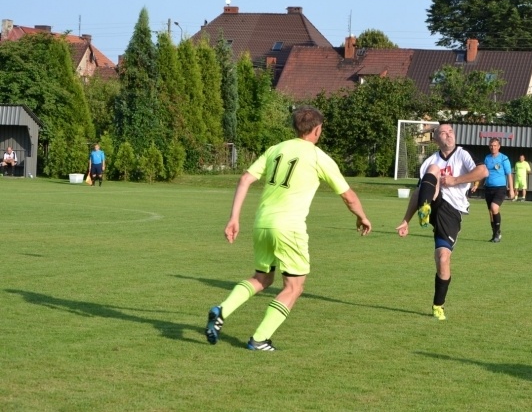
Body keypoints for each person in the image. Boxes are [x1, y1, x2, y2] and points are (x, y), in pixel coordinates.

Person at [205, 106, 372, 351]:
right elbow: (348, 196)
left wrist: (234, 218)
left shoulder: (276, 149)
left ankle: (222, 310)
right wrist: (362, 217)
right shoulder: (318, 157)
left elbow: (245, 179)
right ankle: (259, 339)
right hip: (289, 227)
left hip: (262, 223)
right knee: (294, 287)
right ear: (317, 130)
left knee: (261, 278)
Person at [395, 124, 488, 321]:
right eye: (444, 132)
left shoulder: (463, 154)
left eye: (451, 131)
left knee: (443, 258)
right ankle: (425, 209)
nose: (449, 135)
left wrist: (456, 180)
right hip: (434, 200)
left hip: (452, 211)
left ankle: (438, 305)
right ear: (436, 138)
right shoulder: (430, 160)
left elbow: (482, 172)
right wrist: (406, 221)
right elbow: (418, 192)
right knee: (433, 169)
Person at [471, 138, 514, 243]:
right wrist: (476, 185)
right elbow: (483, 174)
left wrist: (511, 189)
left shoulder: (504, 159)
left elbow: (509, 174)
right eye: (491, 145)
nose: (493, 147)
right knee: (491, 212)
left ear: (499, 146)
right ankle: (495, 234)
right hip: (488, 188)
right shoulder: (487, 158)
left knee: (494, 208)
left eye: (495, 145)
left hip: (500, 188)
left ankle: (497, 232)